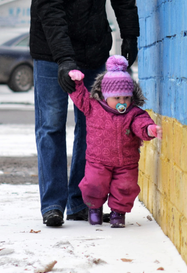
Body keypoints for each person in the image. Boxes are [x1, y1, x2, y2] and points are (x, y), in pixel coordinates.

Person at [29, 0, 140, 227]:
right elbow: (50, 8)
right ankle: (53, 204)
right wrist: (64, 59)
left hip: (94, 47)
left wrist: (130, 35)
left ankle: (80, 202)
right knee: (51, 125)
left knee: (92, 126)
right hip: (51, 52)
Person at [67, 55, 162, 228]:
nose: (122, 102)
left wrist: (150, 130)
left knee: (125, 187)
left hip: (126, 162)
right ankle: (94, 209)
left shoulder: (133, 113)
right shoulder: (93, 107)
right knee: (94, 184)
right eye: (117, 98)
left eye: (126, 98)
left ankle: (118, 213)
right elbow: (80, 97)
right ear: (105, 96)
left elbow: (141, 124)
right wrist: (77, 83)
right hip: (98, 160)